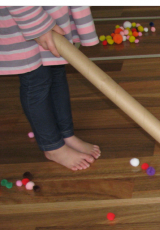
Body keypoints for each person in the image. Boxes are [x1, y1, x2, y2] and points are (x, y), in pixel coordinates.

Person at [0, 6, 100, 170]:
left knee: (56, 69)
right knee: (36, 79)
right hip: (23, 19)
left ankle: (65, 134)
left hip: (48, 13)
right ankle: (53, 147)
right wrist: (37, 25)